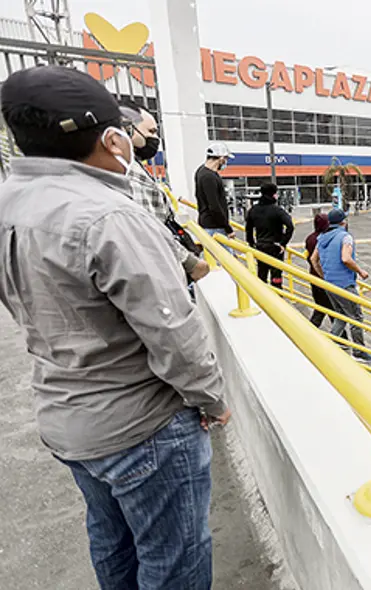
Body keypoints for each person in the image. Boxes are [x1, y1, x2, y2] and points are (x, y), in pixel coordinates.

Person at [0, 65, 230, 588]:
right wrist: (212, 399)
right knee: (175, 560)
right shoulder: (108, 215)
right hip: (142, 427)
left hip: (66, 416)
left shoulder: (10, 203)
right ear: (112, 139)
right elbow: (173, 330)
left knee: (111, 541)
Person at [118, 101, 209, 282]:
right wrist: (190, 262)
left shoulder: (131, 167)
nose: (155, 138)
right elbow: (147, 232)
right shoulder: (129, 172)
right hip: (161, 276)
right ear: (125, 130)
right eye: (150, 131)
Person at [310, 208, 371, 362]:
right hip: (345, 284)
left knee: (341, 315)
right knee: (356, 317)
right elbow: (346, 258)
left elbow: (313, 260)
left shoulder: (321, 238)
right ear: (343, 222)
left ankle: (330, 344)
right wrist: (360, 271)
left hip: (330, 284)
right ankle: (359, 351)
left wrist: (324, 275)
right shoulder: (345, 237)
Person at [245, 182, 295, 289]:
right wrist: (283, 243)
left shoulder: (253, 210)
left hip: (260, 246)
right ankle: (277, 295)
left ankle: (262, 296)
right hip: (275, 247)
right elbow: (290, 226)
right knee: (276, 274)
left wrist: (251, 243)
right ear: (273, 194)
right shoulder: (277, 210)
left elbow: (248, 229)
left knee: (261, 274)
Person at [194, 141, 235, 240]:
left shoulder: (201, 171)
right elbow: (214, 205)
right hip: (215, 226)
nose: (226, 162)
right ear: (221, 158)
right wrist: (228, 228)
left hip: (207, 223)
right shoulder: (209, 177)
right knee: (225, 254)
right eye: (226, 159)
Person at [305, 213, 336, 327]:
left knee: (321, 307)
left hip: (313, 276)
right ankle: (342, 338)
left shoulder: (310, 238)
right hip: (325, 277)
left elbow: (309, 257)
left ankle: (341, 337)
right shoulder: (325, 239)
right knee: (330, 309)